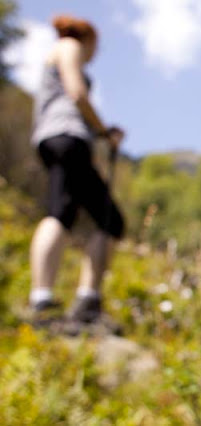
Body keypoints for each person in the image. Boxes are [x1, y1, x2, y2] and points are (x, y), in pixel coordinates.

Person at [29, 15, 125, 325]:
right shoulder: (68, 45)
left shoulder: (60, 51)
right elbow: (77, 92)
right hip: (68, 137)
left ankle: (69, 299)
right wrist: (103, 133)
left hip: (57, 138)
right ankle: (62, 300)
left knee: (72, 213)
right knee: (76, 215)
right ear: (88, 39)